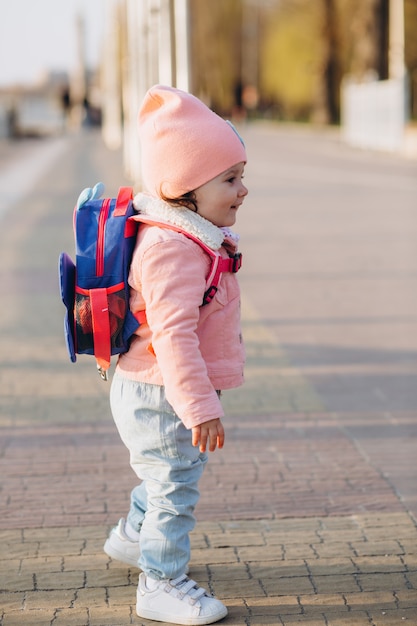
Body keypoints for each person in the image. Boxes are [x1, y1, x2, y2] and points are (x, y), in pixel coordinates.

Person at [104, 84, 248, 625]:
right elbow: (173, 337)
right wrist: (200, 407)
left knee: (167, 474)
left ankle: (132, 538)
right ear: (184, 187)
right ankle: (160, 583)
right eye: (230, 179)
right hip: (161, 391)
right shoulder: (173, 250)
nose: (243, 190)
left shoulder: (186, 237)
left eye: (241, 175)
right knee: (174, 486)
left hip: (160, 388)